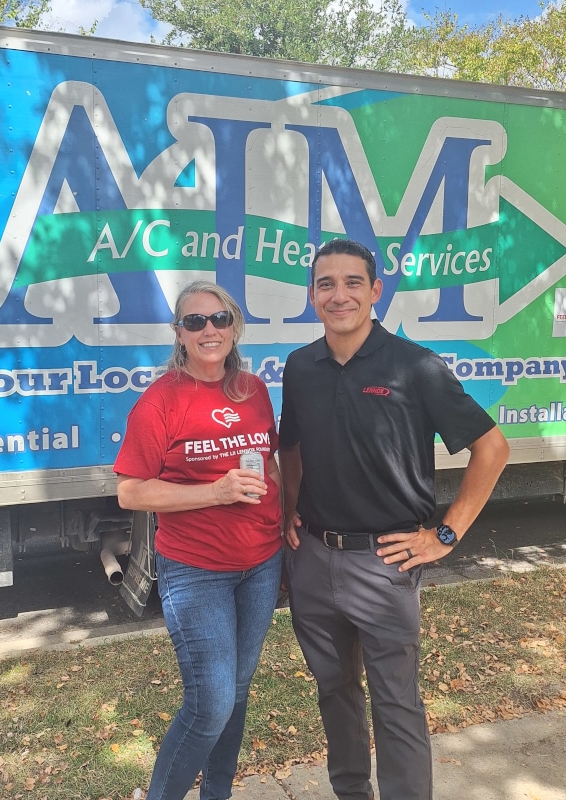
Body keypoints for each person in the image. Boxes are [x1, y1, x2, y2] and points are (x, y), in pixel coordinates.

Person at [278, 239, 510, 800]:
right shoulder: (300, 366)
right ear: (312, 295)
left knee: (396, 703)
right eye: (326, 284)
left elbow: (492, 448)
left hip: (384, 562)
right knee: (334, 693)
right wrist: (288, 511)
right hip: (312, 557)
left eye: (353, 282)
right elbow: (291, 448)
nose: (339, 295)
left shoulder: (416, 367)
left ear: (375, 291)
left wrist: (446, 534)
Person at [114, 280, 283, 800]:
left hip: (262, 561)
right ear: (179, 334)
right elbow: (130, 492)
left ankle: (218, 793)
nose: (209, 330)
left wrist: (290, 516)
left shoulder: (253, 390)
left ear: (234, 327)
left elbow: (270, 462)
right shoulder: (161, 399)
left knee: (233, 692)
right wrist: (216, 492)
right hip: (196, 569)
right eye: (195, 322)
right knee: (209, 702)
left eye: (219, 319)